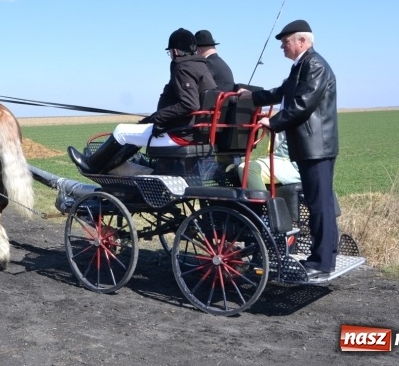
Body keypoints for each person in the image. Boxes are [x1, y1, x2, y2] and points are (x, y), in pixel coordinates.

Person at [236, 19, 339, 278]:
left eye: (286, 41)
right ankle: (327, 256)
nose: (282, 46)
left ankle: (321, 263)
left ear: (302, 41)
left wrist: (272, 122)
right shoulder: (301, 66)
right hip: (312, 146)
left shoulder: (313, 65)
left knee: (319, 204)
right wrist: (251, 96)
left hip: (316, 147)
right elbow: (283, 93)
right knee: (320, 202)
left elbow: (302, 104)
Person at [68, 28, 217, 174]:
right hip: (193, 133)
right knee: (136, 131)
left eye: (169, 52)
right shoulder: (201, 67)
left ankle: (91, 165)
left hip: (179, 135)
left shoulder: (183, 67)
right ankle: (112, 166)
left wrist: (158, 117)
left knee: (121, 131)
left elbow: (190, 104)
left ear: (175, 51)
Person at [235, 133, 300, 191]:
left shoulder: (290, 120)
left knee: (248, 168)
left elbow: (283, 152)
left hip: (296, 166)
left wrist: (272, 123)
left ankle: (263, 204)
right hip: (286, 161)